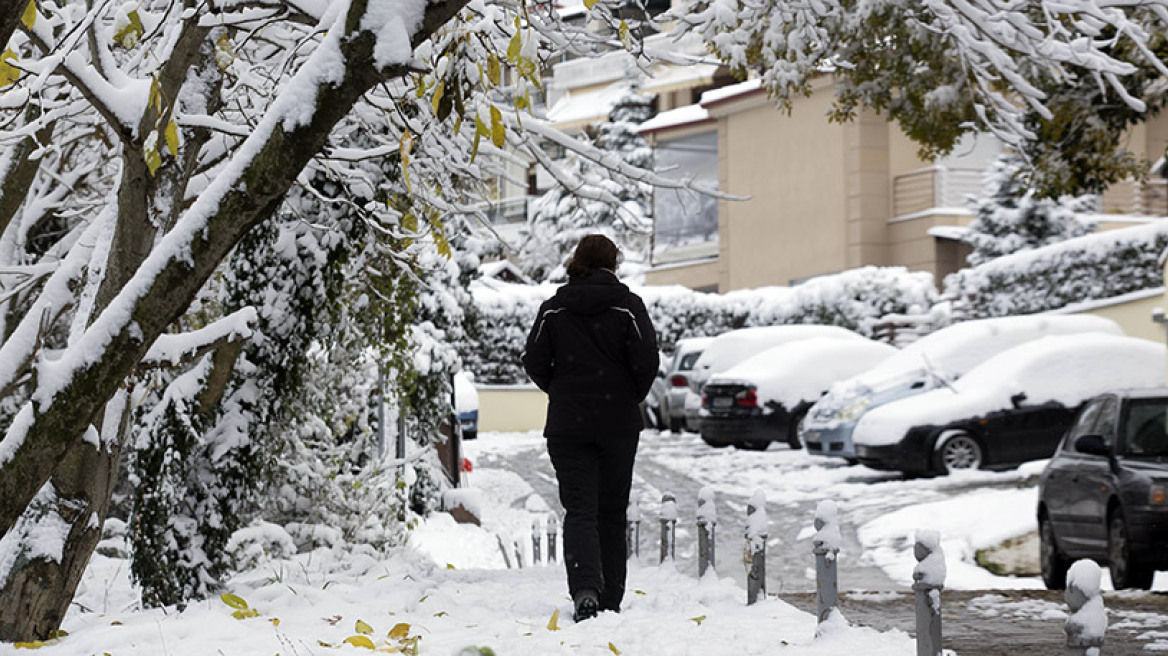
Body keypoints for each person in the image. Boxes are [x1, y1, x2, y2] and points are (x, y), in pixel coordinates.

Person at [521, 234, 659, 622]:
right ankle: (611, 597)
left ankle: (586, 590)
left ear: (577, 262)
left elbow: (533, 360)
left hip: (568, 424)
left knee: (579, 509)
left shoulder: (554, 309)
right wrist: (627, 395)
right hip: (618, 424)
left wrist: (562, 391)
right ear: (614, 264)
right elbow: (648, 360)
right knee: (612, 511)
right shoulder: (629, 306)